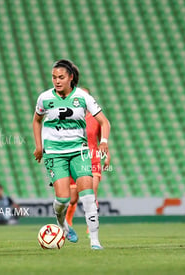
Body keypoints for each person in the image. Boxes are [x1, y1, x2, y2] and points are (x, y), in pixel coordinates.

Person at [32, 59, 110, 249]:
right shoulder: (44, 98)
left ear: (70, 77)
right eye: (54, 77)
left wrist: (104, 142)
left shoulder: (83, 97)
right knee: (63, 199)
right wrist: (39, 146)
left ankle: (95, 240)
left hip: (79, 152)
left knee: (88, 195)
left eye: (61, 77)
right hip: (55, 154)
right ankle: (62, 224)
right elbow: (36, 121)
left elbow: (104, 122)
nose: (56, 81)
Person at [65, 88, 111, 234]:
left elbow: (101, 139)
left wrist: (107, 155)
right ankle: (68, 221)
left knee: (92, 194)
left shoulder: (96, 119)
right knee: (72, 199)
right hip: (75, 159)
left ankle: (92, 224)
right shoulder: (69, 117)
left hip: (93, 159)